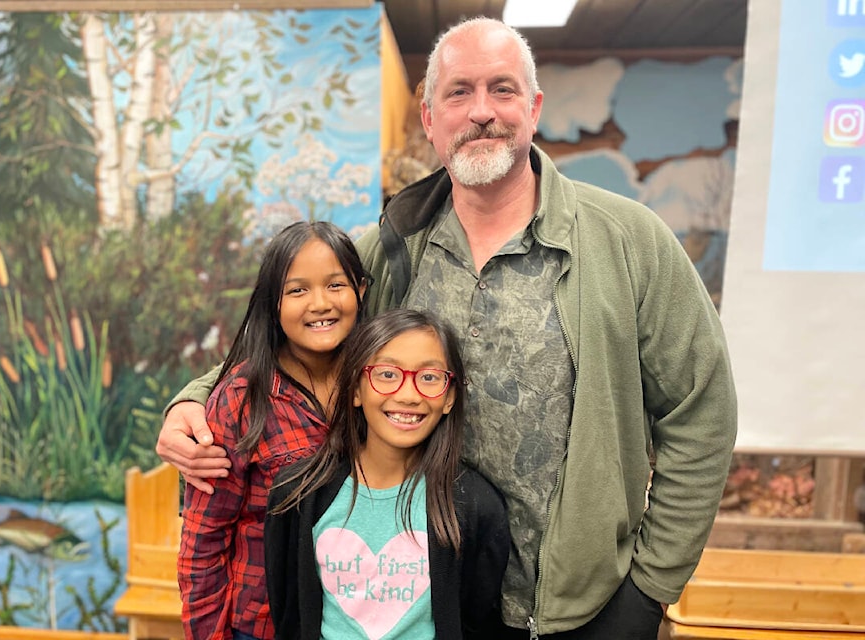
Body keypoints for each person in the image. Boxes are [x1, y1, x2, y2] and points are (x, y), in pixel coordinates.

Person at [159, 16, 737, 639]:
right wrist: (194, 399)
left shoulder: (629, 241)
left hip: (585, 609)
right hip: (431, 607)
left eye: (503, 89)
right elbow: (292, 338)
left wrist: (650, 588)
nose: (482, 111)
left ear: (534, 108)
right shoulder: (390, 247)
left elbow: (701, 411)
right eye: (459, 92)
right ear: (430, 117)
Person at [265, 308, 509, 639]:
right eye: (387, 374)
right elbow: (289, 613)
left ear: (450, 397)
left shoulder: (476, 507)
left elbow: (476, 619)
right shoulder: (298, 494)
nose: (408, 395)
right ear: (355, 389)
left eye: (429, 378)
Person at [177, 221, 367, 640]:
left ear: (362, 291)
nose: (320, 303)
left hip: (357, 620)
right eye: (298, 290)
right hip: (262, 625)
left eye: (336, 285)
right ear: (273, 304)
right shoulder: (241, 398)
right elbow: (203, 541)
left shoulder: (379, 386)